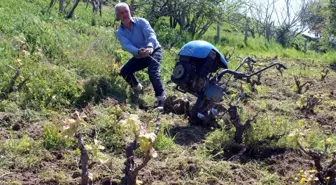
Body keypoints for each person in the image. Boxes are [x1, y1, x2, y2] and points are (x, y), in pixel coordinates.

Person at [114, 2, 165, 110]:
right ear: (118, 16)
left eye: (126, 11)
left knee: (153, 72)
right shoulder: (119, 32)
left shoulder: (141, 22)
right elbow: (126, 45)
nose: (125, 14)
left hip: (154, 50)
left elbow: (151, 35)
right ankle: (138, 89)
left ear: (130, 11)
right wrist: (138, 51)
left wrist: (150, 46)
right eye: (121, 13)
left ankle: (161, 100)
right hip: (140, 55)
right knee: (124, 71)